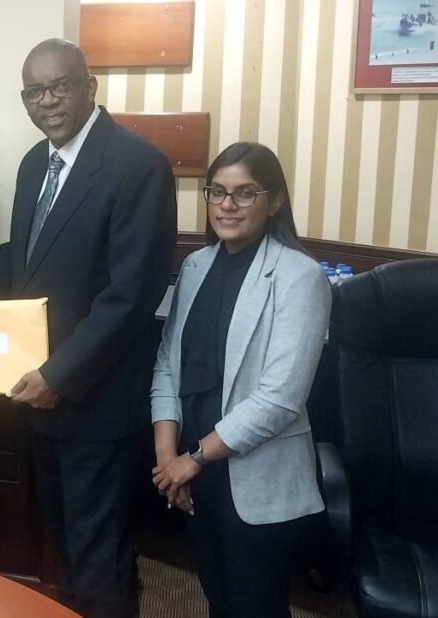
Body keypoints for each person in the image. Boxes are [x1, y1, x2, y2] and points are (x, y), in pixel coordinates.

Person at [0, 39, 177, 617]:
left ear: (90, 86)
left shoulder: (139, 165)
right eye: (34, 91)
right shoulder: (37, 162)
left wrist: (60, 373)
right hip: (41, 400)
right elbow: (21, 260)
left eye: (60, 85)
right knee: (66, 543)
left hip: (96, 401)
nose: (48, 101)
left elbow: (130, 298)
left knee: (99, 551)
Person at [150, 142, 329, 617]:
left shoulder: (300, 276)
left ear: (274, 201)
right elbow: (169, 362)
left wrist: (191, 459)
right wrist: (168, 457)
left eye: (245, 193)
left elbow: (280, 398)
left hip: (254, 472)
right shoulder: (195, 266)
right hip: (192, 467)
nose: (227, 205)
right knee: (217, 594)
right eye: (217, 192)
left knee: (256, 604)